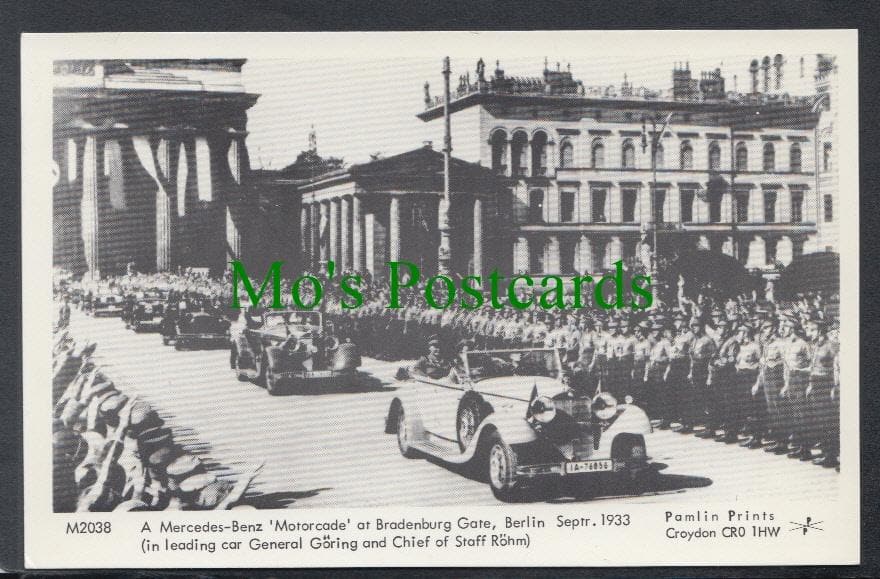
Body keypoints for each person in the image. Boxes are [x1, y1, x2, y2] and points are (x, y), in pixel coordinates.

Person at [806, 316, 839, 468]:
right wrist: (810, 384)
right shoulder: (814, 345)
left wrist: (834, 386)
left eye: (812, 330)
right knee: (819, 419)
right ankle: (826, 451)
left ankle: (831, 455)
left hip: (826, 383)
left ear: (820, 330)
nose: (809, 332)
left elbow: (836, 367)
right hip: (816, 382)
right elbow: (813, 366)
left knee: (827, 420)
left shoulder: (831, 345)